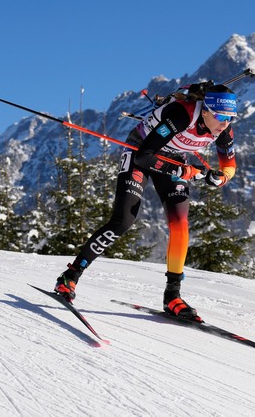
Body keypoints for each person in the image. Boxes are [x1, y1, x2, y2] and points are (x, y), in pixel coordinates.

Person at [54, 84, 237, 321]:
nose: (225, 124)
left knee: (180, 225)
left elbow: (229, 166)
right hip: (140, 153)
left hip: (173, 159)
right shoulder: (181, 115)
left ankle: (172, 296)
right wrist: (184, 170)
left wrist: (220, 178)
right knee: (123, 220)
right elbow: (144, 155)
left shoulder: (224, 131)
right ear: (205, 110)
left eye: (231, 118)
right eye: (221, 116)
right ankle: (70, 276)